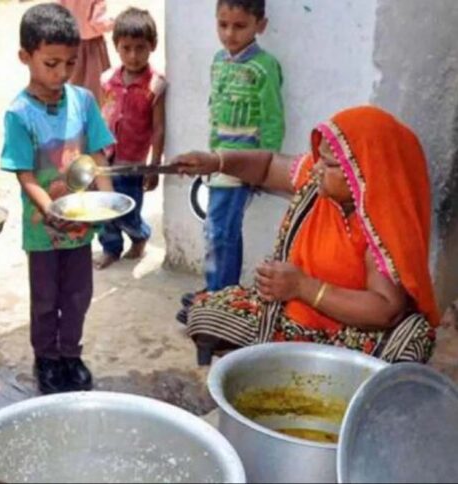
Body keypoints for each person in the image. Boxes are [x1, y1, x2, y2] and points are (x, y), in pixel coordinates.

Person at [175, 106, 439, 365]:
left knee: (407, 347)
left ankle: (304, 363)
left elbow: (386, 310)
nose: (317, 169)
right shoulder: (318, 185)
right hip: (291, 312)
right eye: (319, 158)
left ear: (363, 173)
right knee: (204, 313)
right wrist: (217, 162)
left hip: (352, 333)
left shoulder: (381, 222)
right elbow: (267, 167)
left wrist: (304, 287)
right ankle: (286, 355)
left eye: (329, 163)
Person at [1, 3, 114, 395]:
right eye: (51, 63)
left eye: (69, 63)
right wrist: (48, 209)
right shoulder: (19, 113)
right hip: (42, 230)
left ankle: (71, 353)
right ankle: (46, 357)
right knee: (46, 299)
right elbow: (24, 174)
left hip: (80, 228)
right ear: (25, 57)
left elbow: (98, 155)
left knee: (79, 296)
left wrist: (109, 201)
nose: (61, 74)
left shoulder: (83, 101)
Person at [187, 0, 285, 306]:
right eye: (223, 24)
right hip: (218, 160)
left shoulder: (264, 66)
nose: (229, 34)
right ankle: (222, 291)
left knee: (220, 230)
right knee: (221, 228)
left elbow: (272, 120)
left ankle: (219, 296)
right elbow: (214, 110)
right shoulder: (218, 60)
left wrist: (264, 167)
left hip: (244, 164)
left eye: (240, 26)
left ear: (261, 25)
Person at [95, 7, 166, 270]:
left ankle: (140, 235)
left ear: (153, 46)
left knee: (128, 209)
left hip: (134, 162)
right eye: (126, 48)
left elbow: (158, 128)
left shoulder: (155, 85)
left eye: (140, 48)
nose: (133, 56)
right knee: (105, 207)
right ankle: (110, 247)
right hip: (107, 157)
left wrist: (154, 166)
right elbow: (102, 117)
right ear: (116, 47)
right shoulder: (107, 80)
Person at [55, 0, 113, 102]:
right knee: (96, 84)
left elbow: (57, 13)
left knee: (73, 80)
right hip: (92, 45)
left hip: (71, 42)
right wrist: (111, 23)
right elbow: (97, 21)